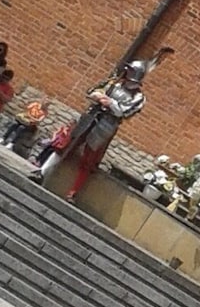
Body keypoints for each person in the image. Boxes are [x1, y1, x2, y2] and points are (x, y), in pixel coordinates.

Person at [32, 47, 173, 201]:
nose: (126, 72)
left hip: (106, 125)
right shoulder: (114, 83)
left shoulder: (138, 97)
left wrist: (110, 102)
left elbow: (124, 112)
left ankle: (73, 192)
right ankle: (42, 172)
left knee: (89, 160)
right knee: (64, 146)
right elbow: (91, 91)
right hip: (90, 117)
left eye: (130, 71)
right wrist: (98, 96)